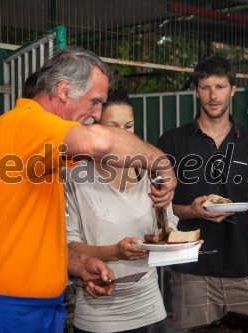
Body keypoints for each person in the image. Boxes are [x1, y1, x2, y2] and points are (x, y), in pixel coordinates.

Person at [0, 47, 176, 332]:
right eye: (95, 102)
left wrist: (79, 264)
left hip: (37, 310)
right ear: (65, 90)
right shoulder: (24, 123)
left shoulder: (46, 150)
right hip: (3, 311)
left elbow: (29, 235)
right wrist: (161, 163)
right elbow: (100, 143)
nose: (96, 114)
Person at [157, 56, 248, 331]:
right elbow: (158, 208)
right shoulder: (172, 141)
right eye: (206, 87)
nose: (213, 96)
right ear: (196, 90)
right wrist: (191, 211)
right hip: (191, 272)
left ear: (233, 90)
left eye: (220, 87)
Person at [63, 90, 178, 333]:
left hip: (149, 303)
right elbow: (68, 247)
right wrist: (114, 251)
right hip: (98, 311)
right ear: (95, 129)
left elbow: (168, 226)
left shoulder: (151, 174)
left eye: (128, 127)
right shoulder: (75, 177)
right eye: (113, 128)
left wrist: (169, 239)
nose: (123, 137)